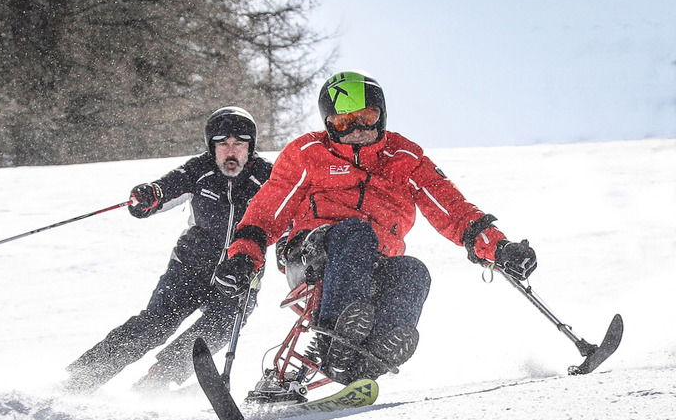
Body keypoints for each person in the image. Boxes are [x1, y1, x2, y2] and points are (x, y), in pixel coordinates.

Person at [213, 71, 537, 385]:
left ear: (380, 116)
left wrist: (498, 246)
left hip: (375, 261)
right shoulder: (308, 153)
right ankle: (333, 337)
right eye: (343, 123)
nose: (356, 130)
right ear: (329, 126)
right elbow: (268, 210)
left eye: (365, 118)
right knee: (356, 233)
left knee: (412, 271)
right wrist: (244, 257)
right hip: (313, 255)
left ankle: (367, 360)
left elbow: (450, 208)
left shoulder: (404, 157)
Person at [64, 106, 273, 394]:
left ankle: (157, 380)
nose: (231, 151)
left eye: (239, 144)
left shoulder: (268, 177)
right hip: (191, 265)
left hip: (239, 272)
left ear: (251, 146)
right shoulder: (199, 169)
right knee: (157, 323)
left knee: (220, 326)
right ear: (211, 147)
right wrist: (150, 195)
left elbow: (287, 219)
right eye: (222, 144)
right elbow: (166, 188)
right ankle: (83, 377)